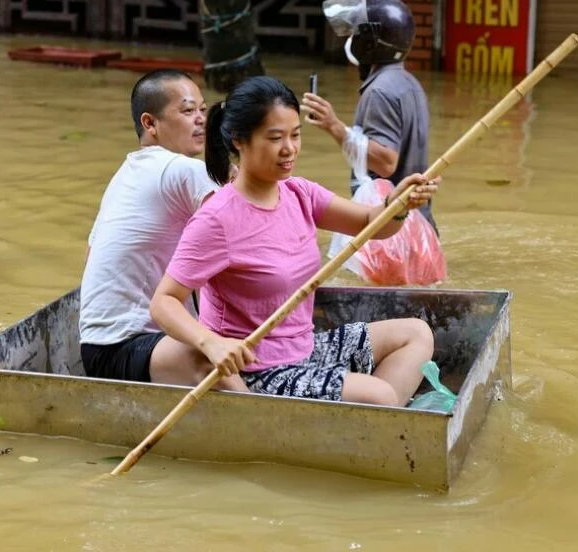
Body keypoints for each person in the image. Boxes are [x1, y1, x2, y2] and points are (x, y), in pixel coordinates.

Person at [150, 76, 440, 406]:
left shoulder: (299, 192)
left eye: (295, 135)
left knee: (417, 334)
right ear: (239, 141)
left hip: (306, 347)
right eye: (275, 138)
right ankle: (377, 413)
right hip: (258, 370)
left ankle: (371, 421)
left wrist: (398, 205)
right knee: (380, 395)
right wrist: (210, 343)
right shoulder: (217, 218)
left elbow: (371, 224)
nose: (289, 149)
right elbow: (164, 302)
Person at [79, 69, 247, 391]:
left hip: (95, 348)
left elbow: (89, 259)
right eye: (186, 111)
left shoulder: (124, 174)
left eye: (202, 109)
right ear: (150, 124)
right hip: (126, 345)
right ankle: (266, 425)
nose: (200, 120)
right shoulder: (185, 169)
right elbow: (243, 239)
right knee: (211, 360)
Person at [301, 0, 437, 232]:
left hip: (392, 231)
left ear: (370, 42)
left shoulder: (379, 91)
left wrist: (333, 126)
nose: (352, 38)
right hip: (419, 227)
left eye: (356, 32)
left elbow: (385, 163)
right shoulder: (410, 83)